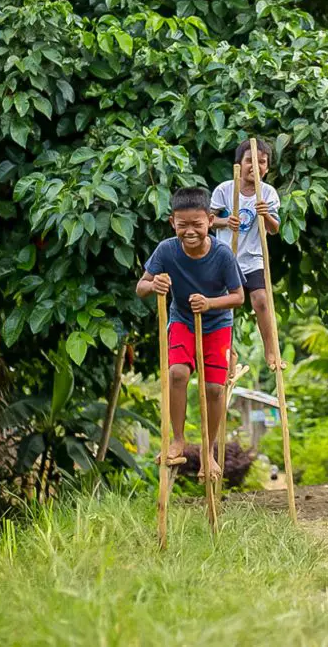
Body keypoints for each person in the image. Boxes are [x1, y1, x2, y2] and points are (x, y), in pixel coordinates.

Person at [136, 187, 244, 481]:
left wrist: (210, 303)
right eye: (183, 225)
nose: (190, 231)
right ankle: (178, 439)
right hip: (182, 319)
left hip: (218, 323)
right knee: (178, 374)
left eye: (197, 224)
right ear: (173, 223)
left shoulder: (222, 255)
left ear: (210, 220)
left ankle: (208, 452)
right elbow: (141, 287)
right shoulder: (166, 250)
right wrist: (155, 283)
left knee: (213, 389)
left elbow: (238, 297)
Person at [210, 139, 281, 368]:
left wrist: (266, 215)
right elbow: (208, 220)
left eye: (261, 162)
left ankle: (271, 351)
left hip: (253, 258)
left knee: (261, 300)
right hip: (226, 258)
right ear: (239, 164)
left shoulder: (268, 193)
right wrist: (224, 221)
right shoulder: (224, 189)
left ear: (267, 167)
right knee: (225, 306)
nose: (255, 166)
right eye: (250, 160)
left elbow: (274, 229)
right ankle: (227, 355)